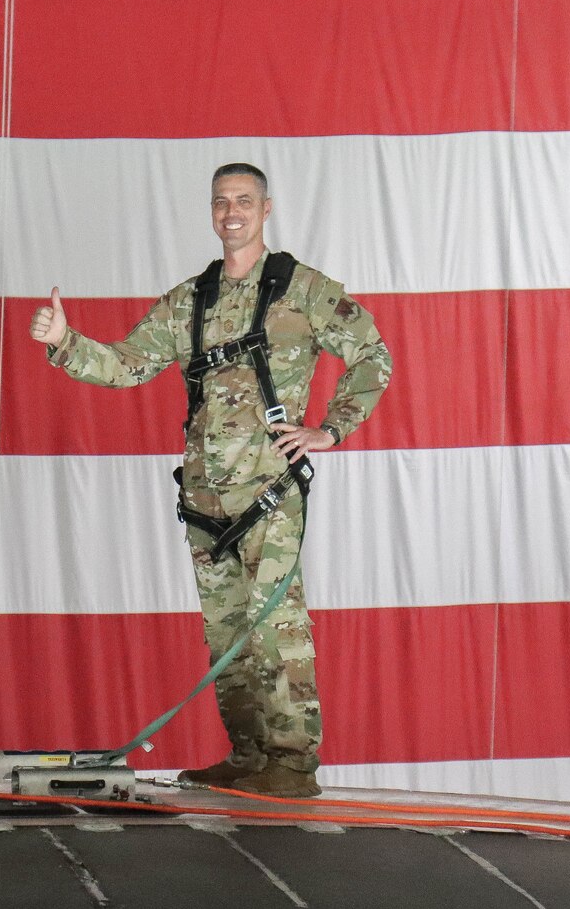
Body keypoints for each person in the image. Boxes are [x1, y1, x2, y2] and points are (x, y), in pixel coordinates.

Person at [29, 163, 391, 798]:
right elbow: (126, 365)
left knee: (275, 627)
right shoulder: (189, 299)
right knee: (226, 631)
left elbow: (372, 355)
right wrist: (65, 342)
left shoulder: (301, 289)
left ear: (266, 208)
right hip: (204, 498)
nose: (232, 212)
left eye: (244, 201)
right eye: (222, 201)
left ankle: (291, 762)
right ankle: (250, 755)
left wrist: (330, 429)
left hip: (268, 492)